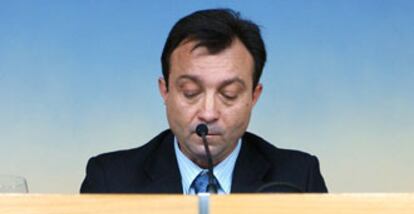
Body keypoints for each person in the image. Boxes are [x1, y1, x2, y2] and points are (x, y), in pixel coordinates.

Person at [80, 9, 327, 194]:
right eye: (190, 92)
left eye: (228, 94)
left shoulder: (297, 178)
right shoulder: (110, 181)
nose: (208, 113)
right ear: (164, 91)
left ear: (254, 96)